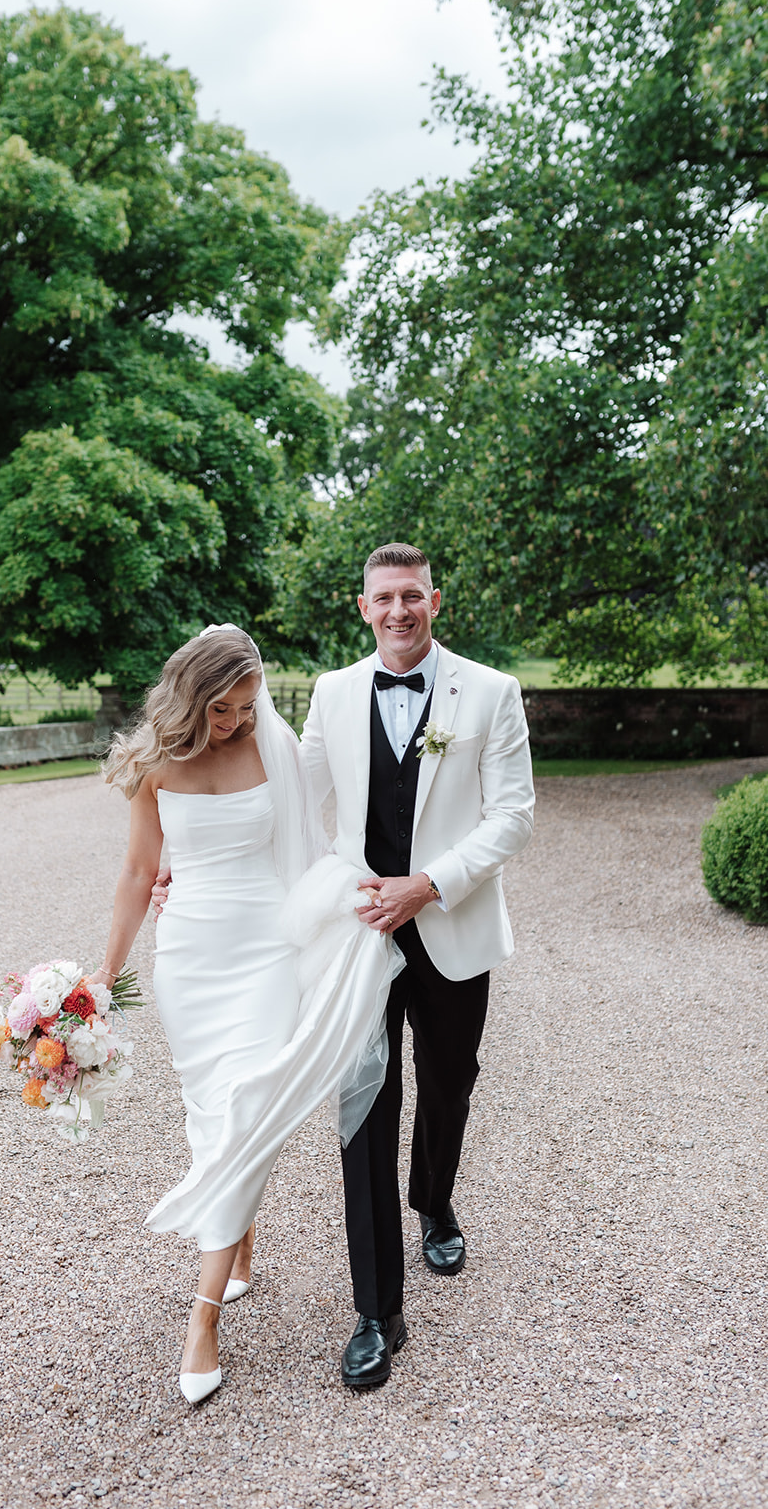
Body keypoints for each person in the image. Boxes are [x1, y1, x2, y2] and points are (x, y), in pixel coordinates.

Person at [95, 626, 400, 1406]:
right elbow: (138, 871)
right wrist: (103, 976)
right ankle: (238, 1245)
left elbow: (312, 844)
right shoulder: (155, 763)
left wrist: (349, 895)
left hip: (265, 952)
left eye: (246, 706)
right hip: (191, 959)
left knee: (246, 1110)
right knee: (211, 1116)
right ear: (192, 698)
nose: (237, 721)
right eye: (224, 709)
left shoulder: (275, 750)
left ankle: (201, 1324)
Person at [299, 542, 535, 1388]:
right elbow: (290, 801)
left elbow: (512, 817)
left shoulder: (493, 692)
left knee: (448, 1083)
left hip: (452, 926)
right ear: (361, 608)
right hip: (362, 933)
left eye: (412, 596)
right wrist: (183, 856)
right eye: (383, 599)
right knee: (364, 1102)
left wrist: (427, 885)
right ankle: (376, 1311)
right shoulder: (329, 693)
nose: (398, 611)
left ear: (435, 599)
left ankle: (433, 1199)